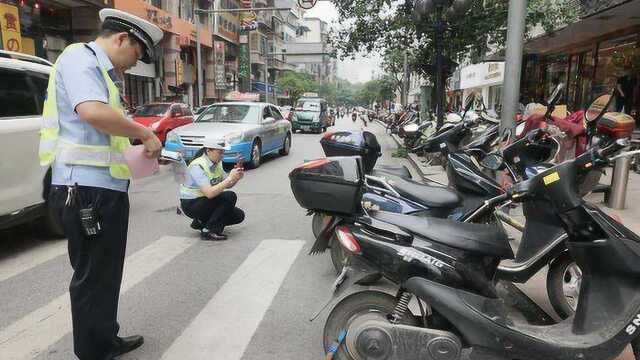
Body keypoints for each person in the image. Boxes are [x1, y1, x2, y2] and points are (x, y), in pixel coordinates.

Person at [40, 9, 164, 360]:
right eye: (136, 54)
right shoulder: (80, 59)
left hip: (100, 189)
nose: (132, 64)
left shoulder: (102, 72)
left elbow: (105, 135)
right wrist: (143, 132)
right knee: (94, 275)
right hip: (84, 191)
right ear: (122, 38)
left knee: (105, 273)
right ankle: (94, 352)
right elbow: (92, 112)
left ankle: (105, 338)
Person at [180, 137, 245, 241]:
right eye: (220, 152)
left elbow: (226, 184)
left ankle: (201, 222)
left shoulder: (217, 163)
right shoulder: (198, 166)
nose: (222, 156)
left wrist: (236, 178)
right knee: (230, 196)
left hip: (206, 201)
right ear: (208, 151)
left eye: (223, 152)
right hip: (191, 204)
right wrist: (230, 178)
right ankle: (209, 230)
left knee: (238, 215)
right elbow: (209, 193)